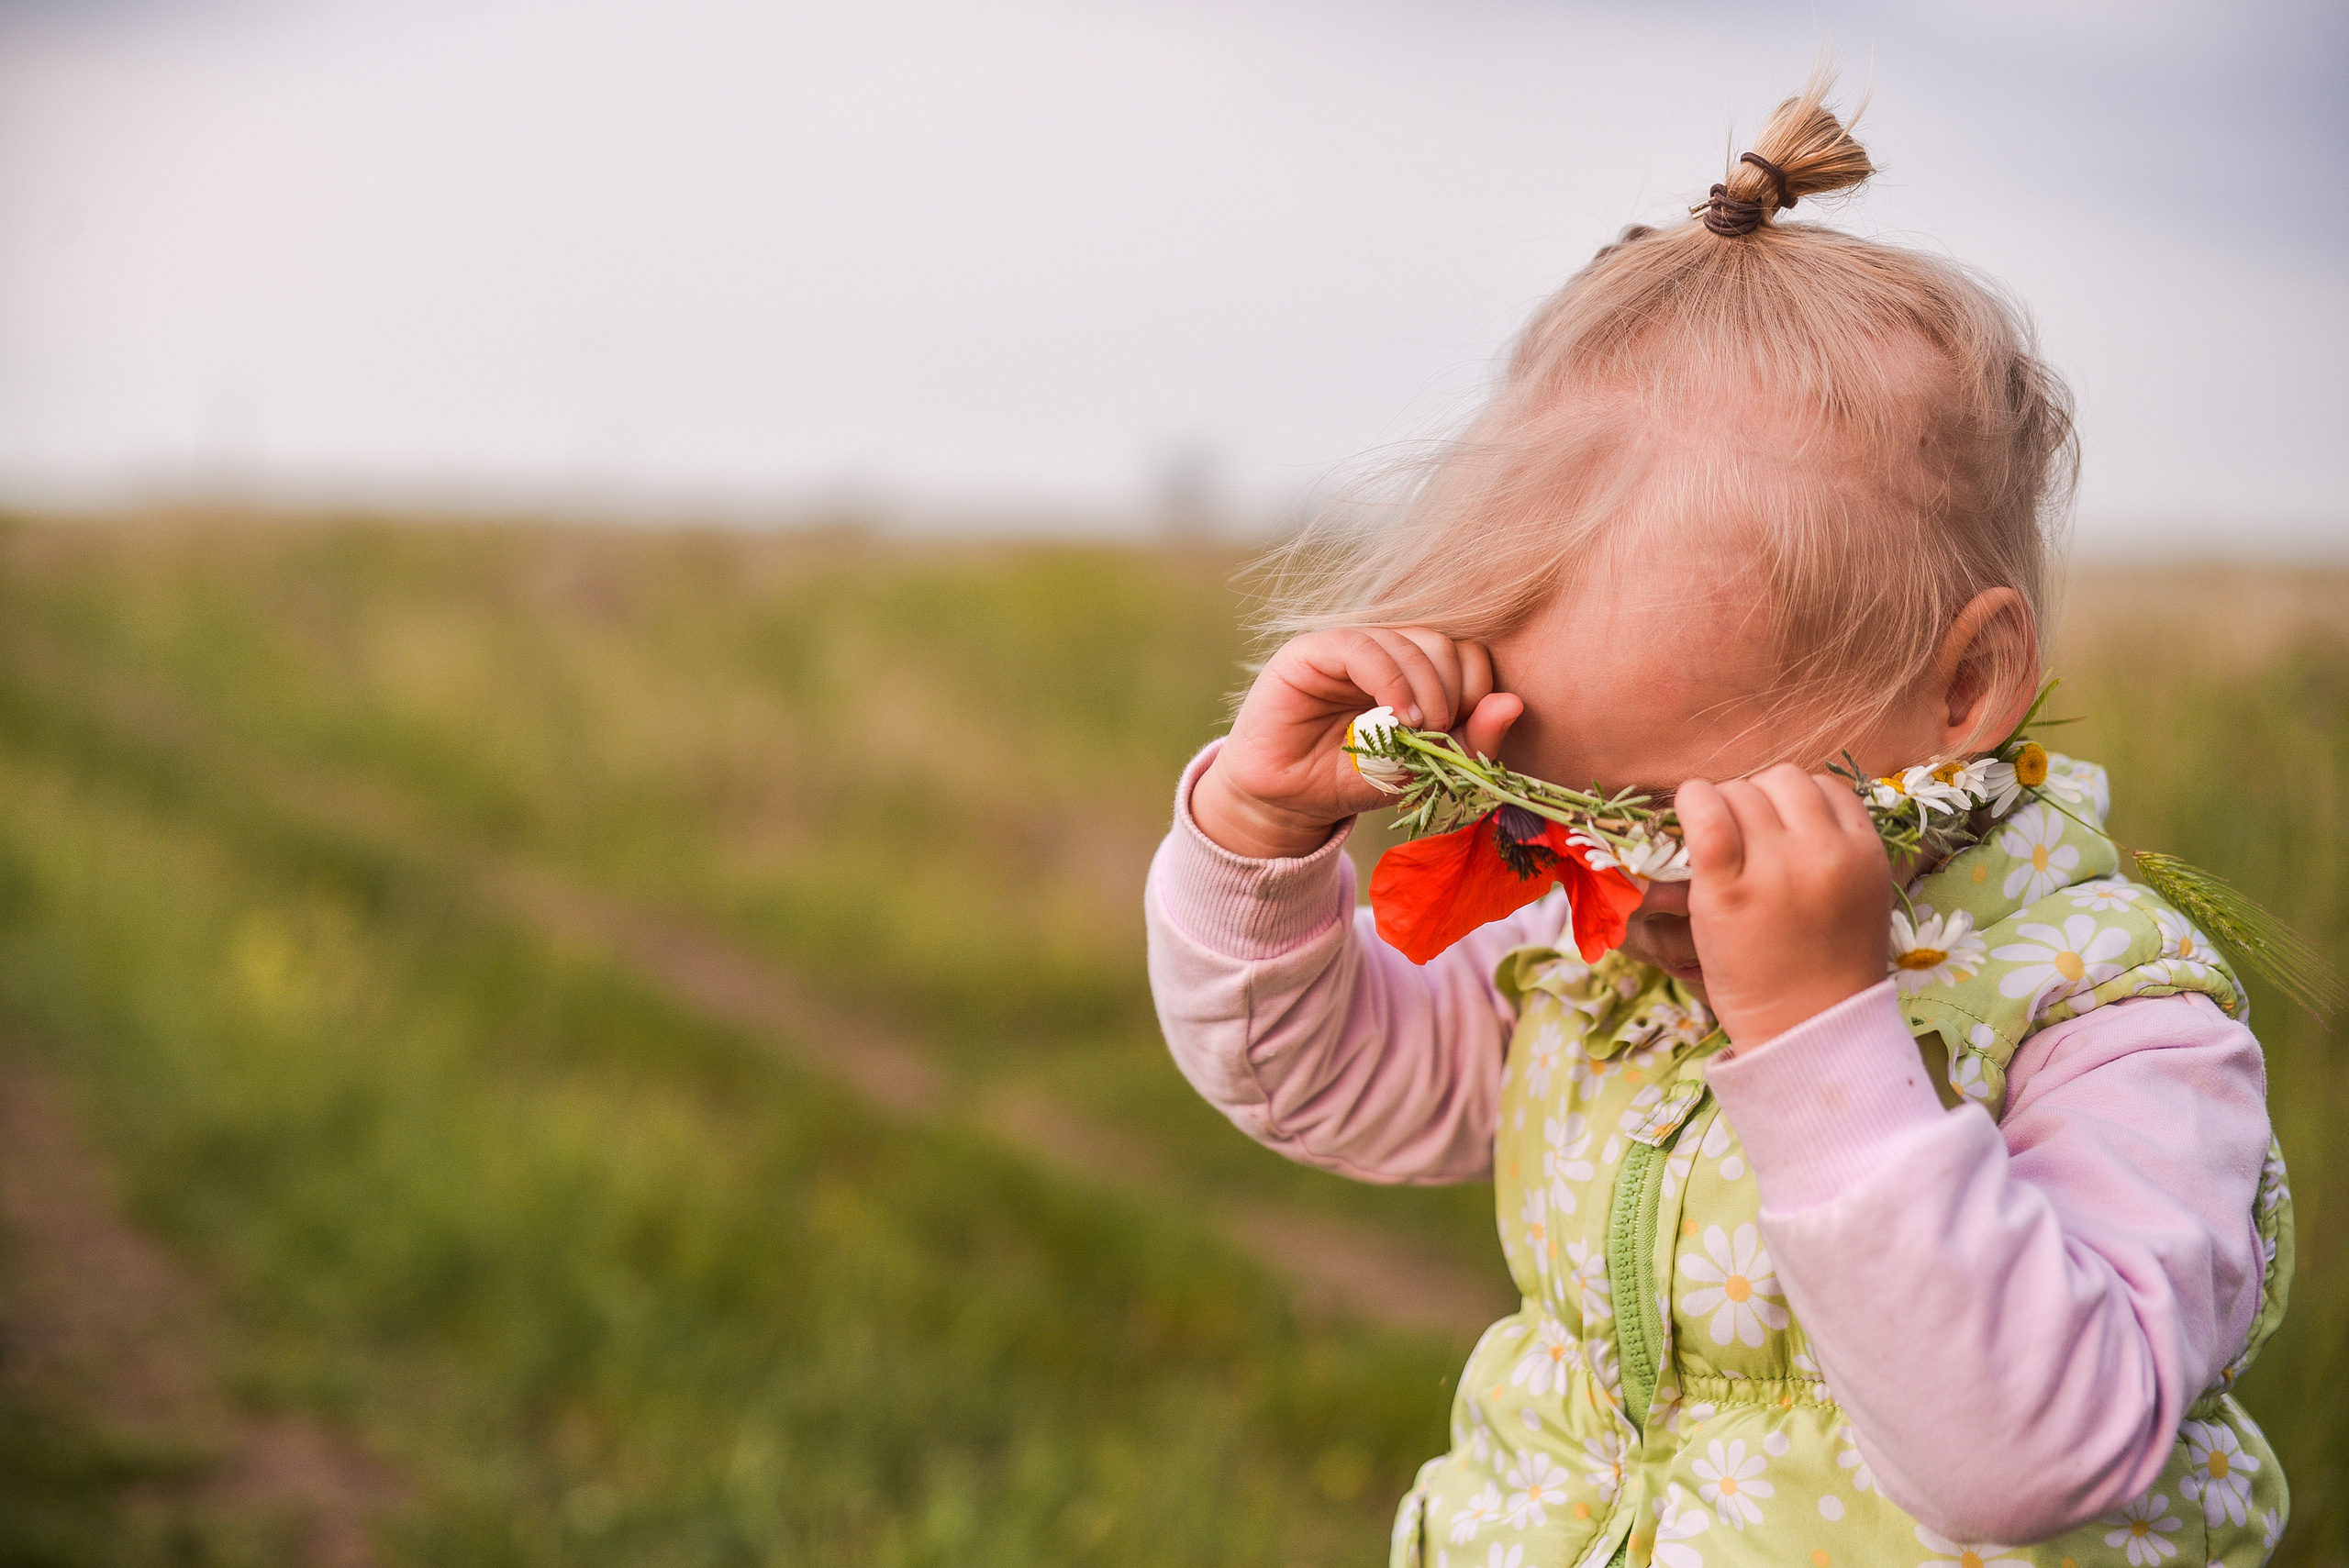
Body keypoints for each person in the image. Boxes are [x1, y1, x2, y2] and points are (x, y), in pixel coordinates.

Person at [1143, 81, 2291, 1568]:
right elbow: (1322, 1082)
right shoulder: (1597, 942)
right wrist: (1256, 840)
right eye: (1553, 798)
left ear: (1962, 688)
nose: (1611, 861)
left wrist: (1825, 1033)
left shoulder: (2109, 1023)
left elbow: (2028, 1456)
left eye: (1662, 809)